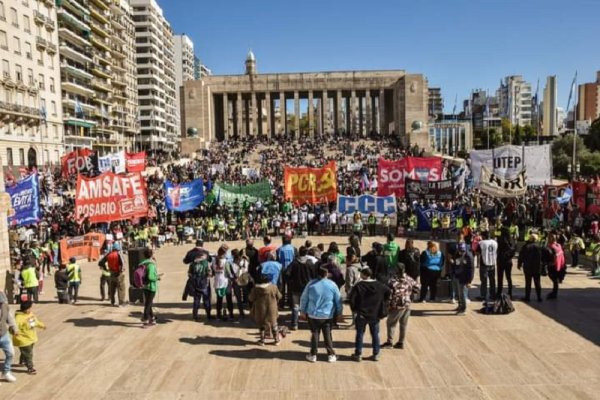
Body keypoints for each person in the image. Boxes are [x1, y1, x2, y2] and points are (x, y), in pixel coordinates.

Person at [300, 267, 343, 363]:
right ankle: (331, 355)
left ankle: (313, 355)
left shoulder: (311, 284)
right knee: (328, 335)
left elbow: (304, 298)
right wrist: (339, 313)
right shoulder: (332, 285)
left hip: (313, 315)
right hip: (327, 315)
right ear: (326, 274)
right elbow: (338, 300)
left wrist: (302, 311)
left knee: (315, 334)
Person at [349, 267, 390, 362]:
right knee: (375, 334)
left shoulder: (359, 286)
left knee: (360, 334)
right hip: (375, 314)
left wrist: (354, 310)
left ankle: (358, 354)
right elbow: (388, 291)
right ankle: (376, 354)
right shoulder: (380, 285)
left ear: (364, 274)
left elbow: (352, 299)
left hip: (361, 315)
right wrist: (382, 301)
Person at [382, 263, 420, 350]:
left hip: (397, 305)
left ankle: (389, 342)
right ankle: (401, 342)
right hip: (407, 304)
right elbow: (417, 288)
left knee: (391, 323)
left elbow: (389, 294)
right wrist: (409, 293)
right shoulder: (409, 278)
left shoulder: (393, 280)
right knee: (403, 324)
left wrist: (388, 305)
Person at [285, 246, 317, 330]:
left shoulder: (294, 262)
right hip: (308, 288)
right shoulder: (310, 263)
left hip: (296, 288)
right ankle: (309, 324)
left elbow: (287, 273)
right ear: (306, 253)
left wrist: (291, 282)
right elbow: (315, 275)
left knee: (296, 306)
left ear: (299, 252)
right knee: (309, 305)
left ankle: (294, 324)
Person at [12, 300, 46, 375]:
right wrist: (14, 332)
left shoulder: (30, 314)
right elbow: (13, 327)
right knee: (29, 353)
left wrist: (42, 325)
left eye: (30, 308)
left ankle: (22, 361)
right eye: (28, 309)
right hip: (22, 339)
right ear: (24, 309)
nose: (30, 310)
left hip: (31, 337)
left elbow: (35, 322)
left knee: (26, 351)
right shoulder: (18, 318)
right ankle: (30, 368)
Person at [249, 274, 282, 346]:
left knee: (261, 325)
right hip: (272, 310)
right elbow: (279, 296)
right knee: (274, 324)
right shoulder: (273, 287)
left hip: (260, 310)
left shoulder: (255, 289)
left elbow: (251, 298)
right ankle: (276, 340)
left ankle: (262, 341)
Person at [184, 250, 213, 321]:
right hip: (203, 283)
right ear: (201, 256)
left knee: (196, 299)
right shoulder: (206, 263)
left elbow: (189, 274)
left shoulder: (192, 264)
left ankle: (195, 316)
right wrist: (208, 277)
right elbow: (209, 273)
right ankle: (208, 315)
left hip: (195, 283)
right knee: (206, 299)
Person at [98, 242, 127, 306]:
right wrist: (121, 270)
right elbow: (123, 263)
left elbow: (100, 263)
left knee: (112, 287)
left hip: (111, 272)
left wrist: (106, 268)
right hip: (118, 273)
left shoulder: (109, 254)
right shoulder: (119, 254)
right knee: (121, 288)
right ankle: (121, 303)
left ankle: (112, 302)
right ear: (118, 248)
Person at [449, 242, 474, 315]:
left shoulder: (469, 256)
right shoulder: (457, 254)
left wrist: (469, 281)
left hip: (465, 277)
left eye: (462, 251)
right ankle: (460, 306)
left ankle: (463, 309)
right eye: (460, 250)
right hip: (458, 275)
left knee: (463, 293)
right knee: (459, 293)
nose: (461, 252)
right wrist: (453, 264)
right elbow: (456, 264)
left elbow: (471, 270)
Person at [517, 234, 543, 302]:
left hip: (528, 267)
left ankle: (527, 297)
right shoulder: (540, 246)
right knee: (537, 282)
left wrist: (519, 264)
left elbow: (521, 256)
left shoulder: (526, 246)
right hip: (537, 267)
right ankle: (539, 297)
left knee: (528, 283)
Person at [0, 290, 18, 382]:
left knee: (11, 353)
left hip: (4, 334)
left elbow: (9, 318)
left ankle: (6, 372)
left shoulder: (4, 306)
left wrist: (14, 328)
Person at [140, 248, 160, 327]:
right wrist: (157, 278)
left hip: (144, 286)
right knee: (148, 304)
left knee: (149, 302)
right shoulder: (151, 265)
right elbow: (151, 277)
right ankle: (146, 319)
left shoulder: (142, 263)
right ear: (151, 255)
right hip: (151, 286)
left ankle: (152, 318)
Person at [477, 231, 498, 305]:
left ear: (484, 236)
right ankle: (492, 295)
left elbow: (477, 252)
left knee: (484, 281)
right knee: (492, 280)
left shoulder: (481, 243)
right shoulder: (495, 243)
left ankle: (483, 295)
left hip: (484, 264)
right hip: (492, 264)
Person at [496, 226, 516, 299]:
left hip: (501, 260)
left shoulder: (500, 240)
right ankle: (510, 292)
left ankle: (499, 292)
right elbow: (513, 251)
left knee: (500, 277)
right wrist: (509, 256)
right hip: (508, 261)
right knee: (508, 277)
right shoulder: (511, 241)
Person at [545, 233, 566, 300]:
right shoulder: (559, 245)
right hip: (559, 265)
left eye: (549, 238)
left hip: (553, 265)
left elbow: (553, 256)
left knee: (554, 279)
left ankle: (554, 293)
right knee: (555, 280)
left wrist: (551, 263)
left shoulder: (551, 246)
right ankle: (554, 292)